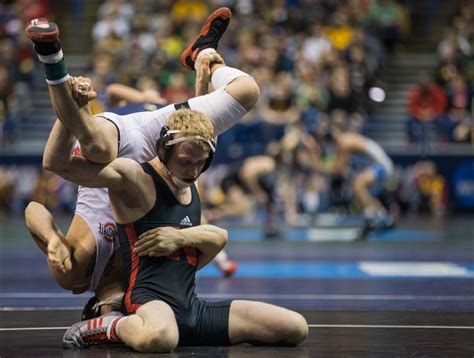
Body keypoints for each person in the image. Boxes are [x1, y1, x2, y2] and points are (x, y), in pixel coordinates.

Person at [24, 7, 256, 316]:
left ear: (96, 307)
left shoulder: (77, 273)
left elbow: (34, 207)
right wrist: (202, 82)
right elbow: (190, 190)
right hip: (162, 141)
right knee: (247, 91)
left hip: (119, 144)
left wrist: (51, 239)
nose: (121, 312)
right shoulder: (148, 277)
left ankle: (52, 59)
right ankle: (202, 52)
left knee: (98, 150)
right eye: (124, 316)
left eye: (109, 315)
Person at [58, 108, 308, 352]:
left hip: (192, 310)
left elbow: (219, 237)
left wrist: (179, 237)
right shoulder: (134, 177)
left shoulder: (189, 185)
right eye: (185, 162)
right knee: (160, 337)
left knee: (295, 327)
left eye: (201, 163)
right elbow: (56, 163)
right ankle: (111, 325)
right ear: (165, 151)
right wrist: (67, 105)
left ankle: (165, 328)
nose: (193, 171)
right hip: (148, 302)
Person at [312, 124, 395, 231]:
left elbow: (338, 169)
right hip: (379, 164)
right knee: (364, 195)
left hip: (381, 165)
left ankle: (369, 219)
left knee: (358, 184)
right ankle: (386, 219)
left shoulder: (344, 143)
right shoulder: (345, 138)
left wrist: (319, 166)